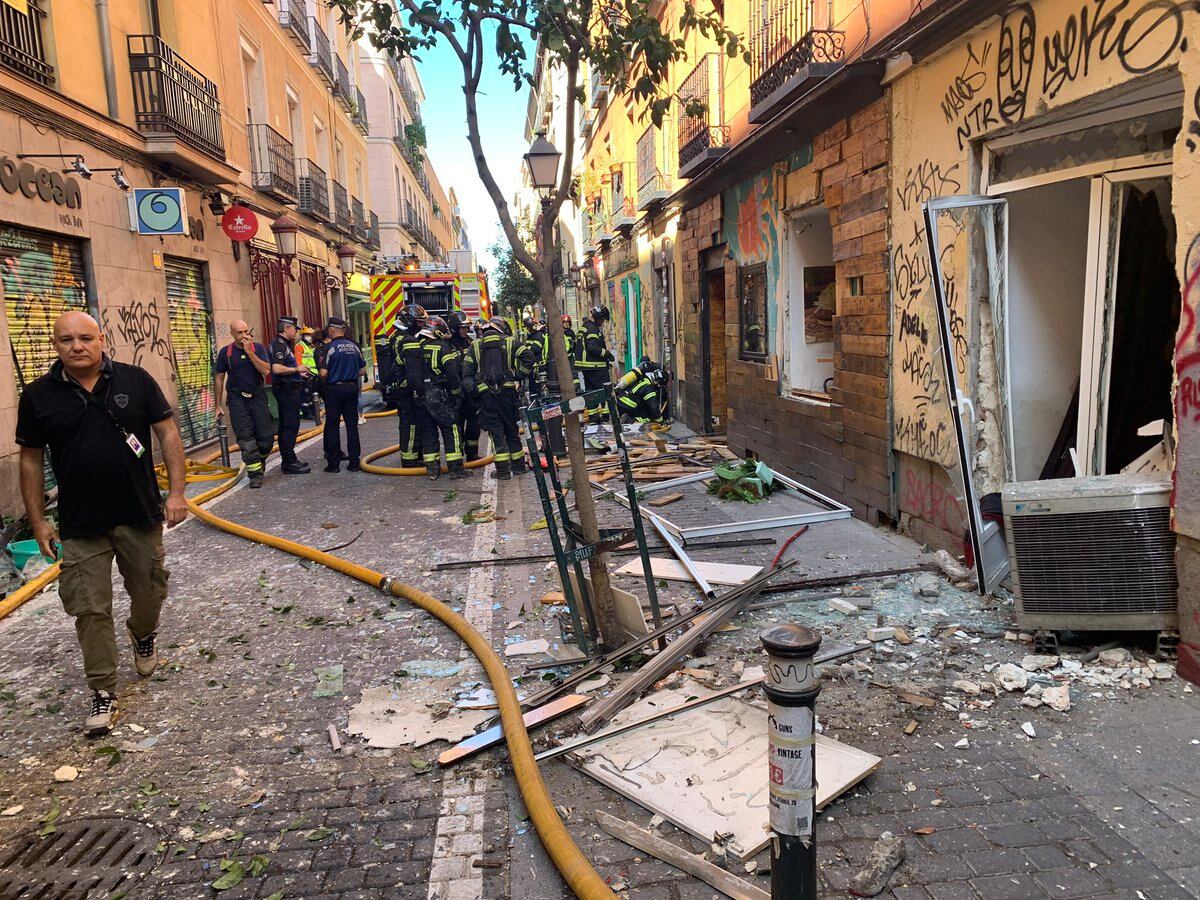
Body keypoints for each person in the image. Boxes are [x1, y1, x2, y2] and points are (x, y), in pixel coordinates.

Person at [16, 311, 187, 735]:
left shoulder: (136, 380)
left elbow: (167, 433)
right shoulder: (38, 396)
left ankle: (142, 634)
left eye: (86, 338)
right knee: (90, 610)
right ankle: (103, 691)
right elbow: (31, 459)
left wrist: (178, 493)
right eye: (67, 340)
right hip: (80, 523)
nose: (77, 346)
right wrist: (38, 521)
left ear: (102, 339)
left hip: (138, 512)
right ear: (55, 345)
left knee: (149, 592)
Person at [462, 317, 536, 479]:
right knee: (511, 429)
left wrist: (475, 393)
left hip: (487, 397)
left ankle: (503, 471)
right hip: (508, 394)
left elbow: (467, 373)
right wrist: (518, 375)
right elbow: (529, 357)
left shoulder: (475, 345)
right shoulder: (510, 342)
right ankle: (518, 467)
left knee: (496, 432)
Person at [214, 319, 273, 489]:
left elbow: (266, 370)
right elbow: (219, 378)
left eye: (246, 331)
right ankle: (254, 475)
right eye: (239, 333)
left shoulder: (258, 349)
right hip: (237, 398)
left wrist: (250, 353)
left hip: (257, 396)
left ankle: (258, 460)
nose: (244, 335)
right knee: (246, 438)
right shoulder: (226, 353)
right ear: (232, 334)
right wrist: (217, 405)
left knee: (266, 438)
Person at [410, 315, 468, 480]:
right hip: (438, 394)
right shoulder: (442, 347)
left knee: (428, 432)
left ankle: (433, 470)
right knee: (451, 428)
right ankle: (456, 469)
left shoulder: (415, 346)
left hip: (419, 395)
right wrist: (457, 393)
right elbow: (452, 373)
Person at [316, 316, 366, 473]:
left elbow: (323, 373)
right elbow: (363, 370)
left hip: (334, 390)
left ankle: (333, 464)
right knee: (352, 426)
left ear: (332, 330)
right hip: (351, 388)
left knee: (332, 425)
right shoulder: (354, 347)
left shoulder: (328, 348)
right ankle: (354, 463)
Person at [270, 315, 311, 474]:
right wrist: (297, 370)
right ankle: (288, 462)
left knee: (289, 425)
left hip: (290, 387)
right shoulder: (279, 345)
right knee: (290, 426)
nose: (296, 332)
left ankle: (290, 459)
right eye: (295, 328)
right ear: (287, 328)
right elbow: (276, 369)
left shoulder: (285, 344)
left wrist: (298, 374)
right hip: (286, 390)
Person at [389, 304, 427, 468]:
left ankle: (412, 455)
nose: (421, 325)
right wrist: (419, 390)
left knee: (407, 423)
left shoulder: (395, 336)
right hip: (408, 390)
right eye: (419, 322)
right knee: (411, 424)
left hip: (402, 388)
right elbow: (412, 371)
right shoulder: (408, 340)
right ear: (409, 320)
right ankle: (411, 459)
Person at [447, 311, 481, 462]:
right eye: (462, 328)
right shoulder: (448, 345)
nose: (465, 330)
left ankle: (472, 453)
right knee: (458, 425)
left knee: (474, 423)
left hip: (471, 392)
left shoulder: (470, 343)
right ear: (454, 328)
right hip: (456, 393)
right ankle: (458, 454)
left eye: (467, 327)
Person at [577, 305, 614, 420]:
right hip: (596, 367)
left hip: (587, 368)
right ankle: (605, 416)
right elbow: (592, 347)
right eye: (602, 319)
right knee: (604, 391)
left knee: (591, 393)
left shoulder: (585, 326)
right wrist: (607, 354)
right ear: (598, 317)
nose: (602, 322)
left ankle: (593, 417)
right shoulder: (592, 329)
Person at [616, 357, 671, 429]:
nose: (658, 386)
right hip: (630, 406)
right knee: (646, 419)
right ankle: (629, 420)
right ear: (657, 381)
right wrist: (660, 420)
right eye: (658, 384)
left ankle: (626, 418)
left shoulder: (642, 377)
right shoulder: (649, 388)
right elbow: (653, 406)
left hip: (620, 400)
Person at [296, 326, 321, 422]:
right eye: (308, 335)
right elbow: (298, 361)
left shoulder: (311, 347)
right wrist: (302, 372)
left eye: (311, 335)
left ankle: (313, 411)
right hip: (305, 374)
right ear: (303, 336)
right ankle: (306, 413)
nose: (310, 337)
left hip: (313, 374)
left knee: (312, 395)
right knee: (306, 395)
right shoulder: (300, 346)